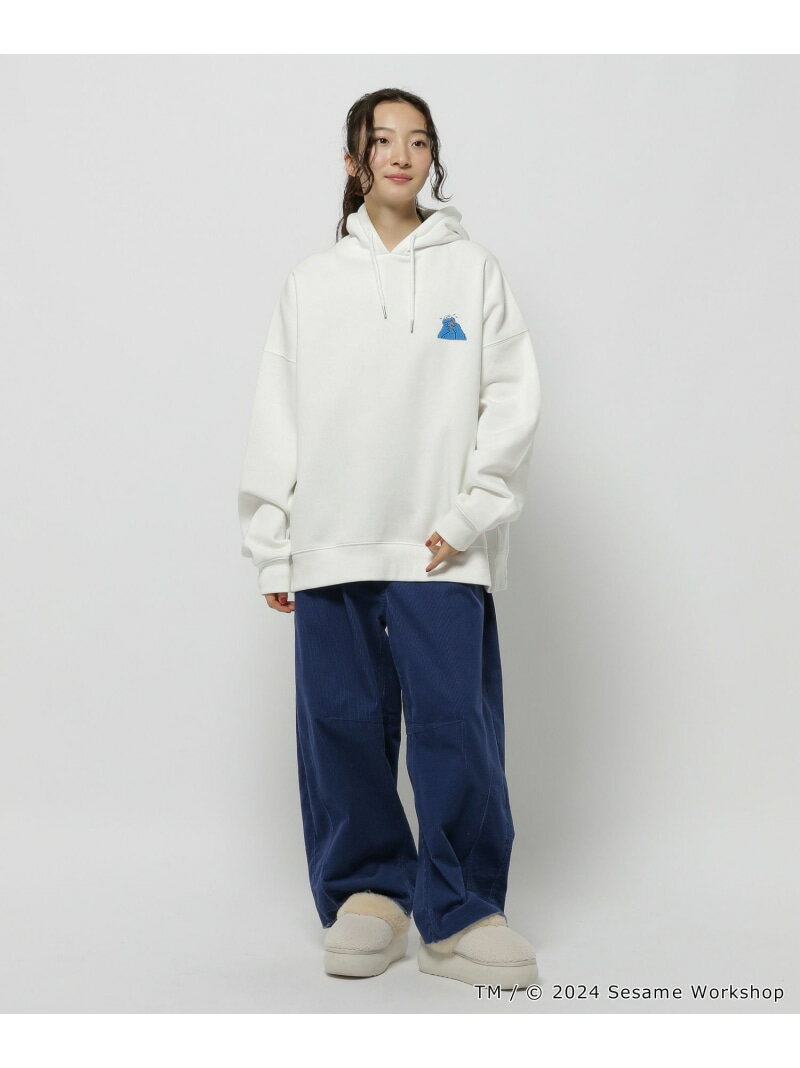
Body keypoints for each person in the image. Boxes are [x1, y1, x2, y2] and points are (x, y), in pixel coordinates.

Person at [238, 88, 542, 989]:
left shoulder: (473, 272)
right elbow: (277, 412)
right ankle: (368, 896)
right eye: (382, 141)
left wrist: (469, 514)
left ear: (432, 158)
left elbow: (512, 401)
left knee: (457, 728)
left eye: (418, 141)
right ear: (353, 162)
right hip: (331, 540)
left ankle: (461, 914)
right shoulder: (311, 282)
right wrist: (273, 539)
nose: (401, 155)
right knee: (340, 726)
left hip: (441, 546)